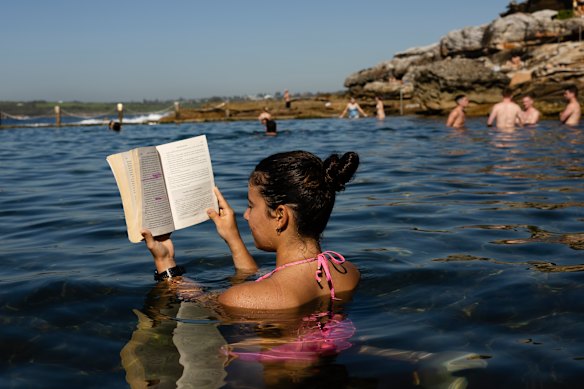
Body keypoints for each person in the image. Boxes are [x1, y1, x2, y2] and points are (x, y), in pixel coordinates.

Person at [141, 150, 361, 310]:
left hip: (275, 372)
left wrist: (165, 262)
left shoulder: (241, 300)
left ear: (280, 215)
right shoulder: (348, 273)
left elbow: (196, 299)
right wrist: (233, 237)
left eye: (251, 205)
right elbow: (262, 280)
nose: (245, 215)